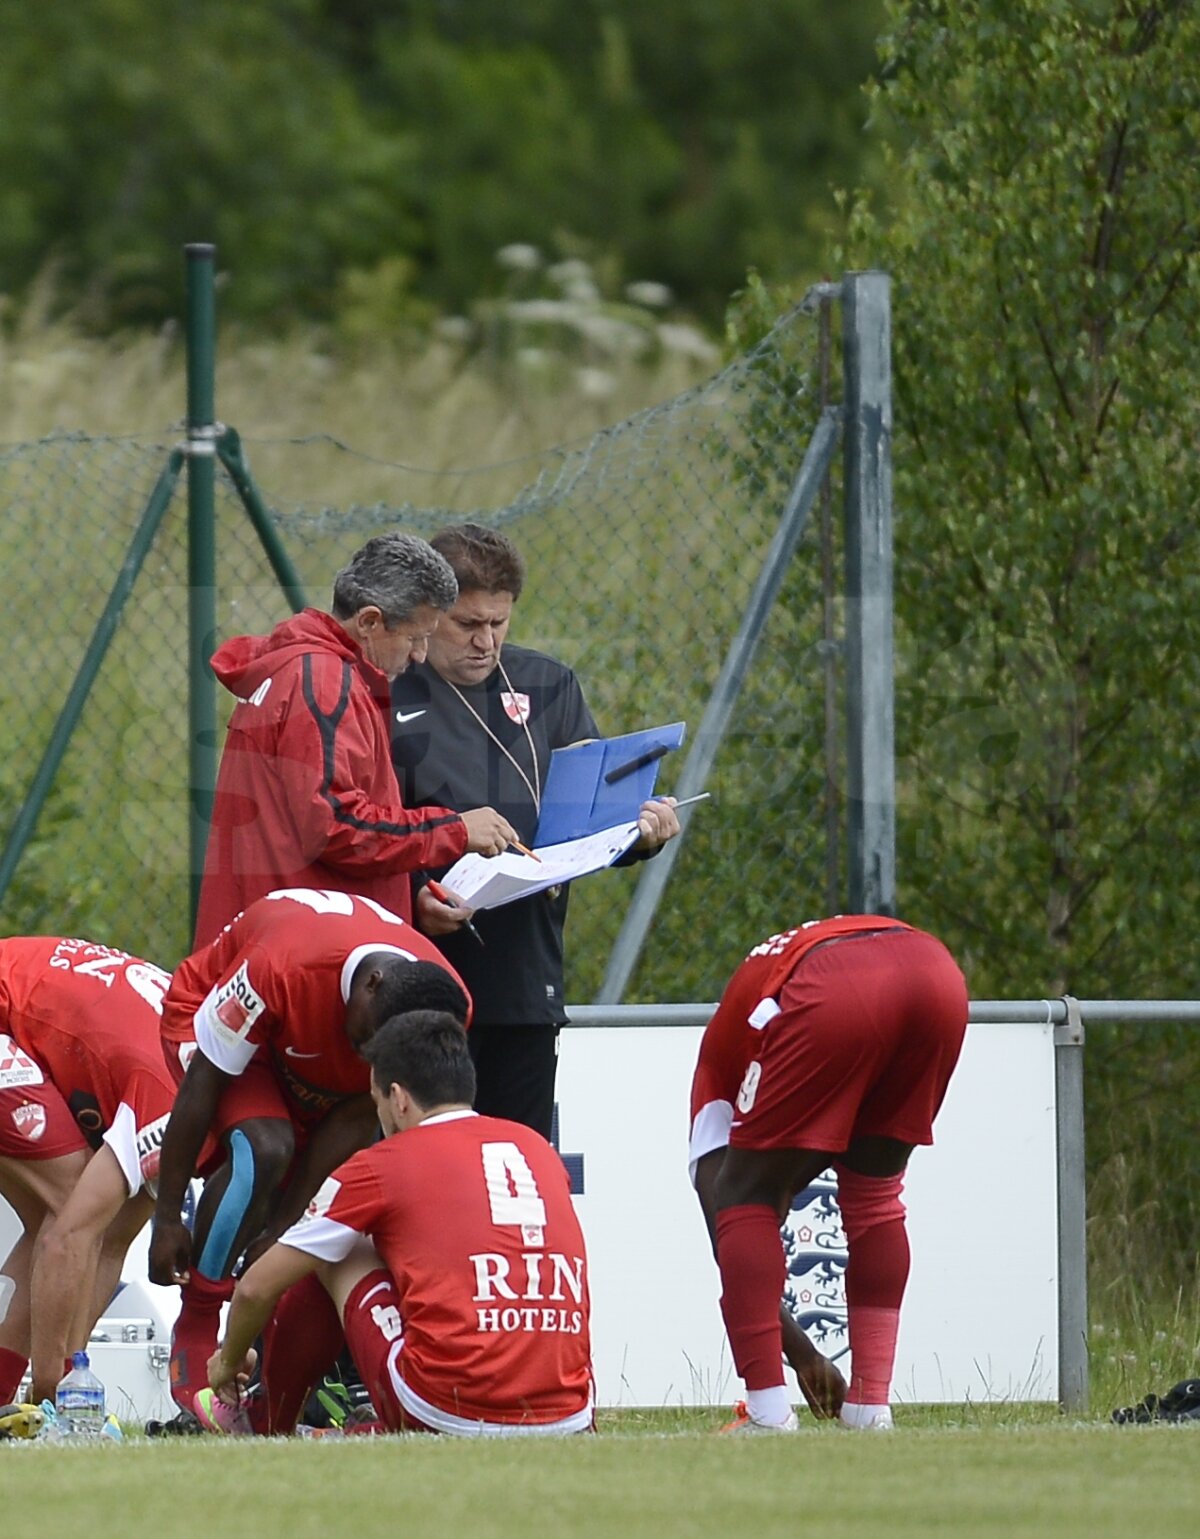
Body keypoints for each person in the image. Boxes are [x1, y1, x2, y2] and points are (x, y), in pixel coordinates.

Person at [391, 523, 680, 1138]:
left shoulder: (548, 686)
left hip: (524, 978)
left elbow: (591, 818)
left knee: (514, 1155)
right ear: (429, 613)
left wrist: (640, 832)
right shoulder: (388, 693)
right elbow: (360, 827)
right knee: (428, 1164)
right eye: (467, 624)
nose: (485, 641)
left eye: (498, 623)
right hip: (418, 982)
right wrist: (413, 893)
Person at [148, 886, 471, 1414]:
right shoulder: (281, 967)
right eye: (368, 1040)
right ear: (371, 985)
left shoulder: (445, 1002)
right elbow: (203, 1082)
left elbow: (363, 1110)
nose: (367, 1056)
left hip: (303, 1050)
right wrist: (166, 1215)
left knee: (315, 1204)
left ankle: (280, 1368)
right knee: (265, 1146)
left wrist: (282, 1234)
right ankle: (201, 1313)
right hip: (220, 1019)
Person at [201, 1010, 592, 1437]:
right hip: (569, 1410)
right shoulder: (534, 1146)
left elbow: (258, 1286)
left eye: (377, 1104)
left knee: (336, 1249)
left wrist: (227, 1361)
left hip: (448, 1409)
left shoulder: (381, 1165)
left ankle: (266, 1422)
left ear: (399, 1098)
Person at [696, 916, 968, 1432]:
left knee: (742, 1193)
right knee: (875, 1194)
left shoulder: (714, 1072)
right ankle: (870, 1409)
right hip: (936, 972)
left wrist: (803, 1357)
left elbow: (727, 1225)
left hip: (834, 983)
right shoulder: (748, 1022)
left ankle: (767, 1414)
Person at [194, 531, 520, 950]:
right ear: (368, 621)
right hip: (304, 952)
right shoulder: (323, 683)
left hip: (281, 938)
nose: (420, 654)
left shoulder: (301, 670)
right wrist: (453, 830)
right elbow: (334, 825)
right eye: (414, 637)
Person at [0, 935, 194, 1403]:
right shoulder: (173, 1107)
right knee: (72, 1208)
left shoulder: (200, 1084)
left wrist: (77, 1367)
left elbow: (111, 1245)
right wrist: (56, 1390)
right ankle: (46, 1398)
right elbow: (67, 1237)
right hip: (13, 1007)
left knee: (95, 1221)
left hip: (28, 1005)